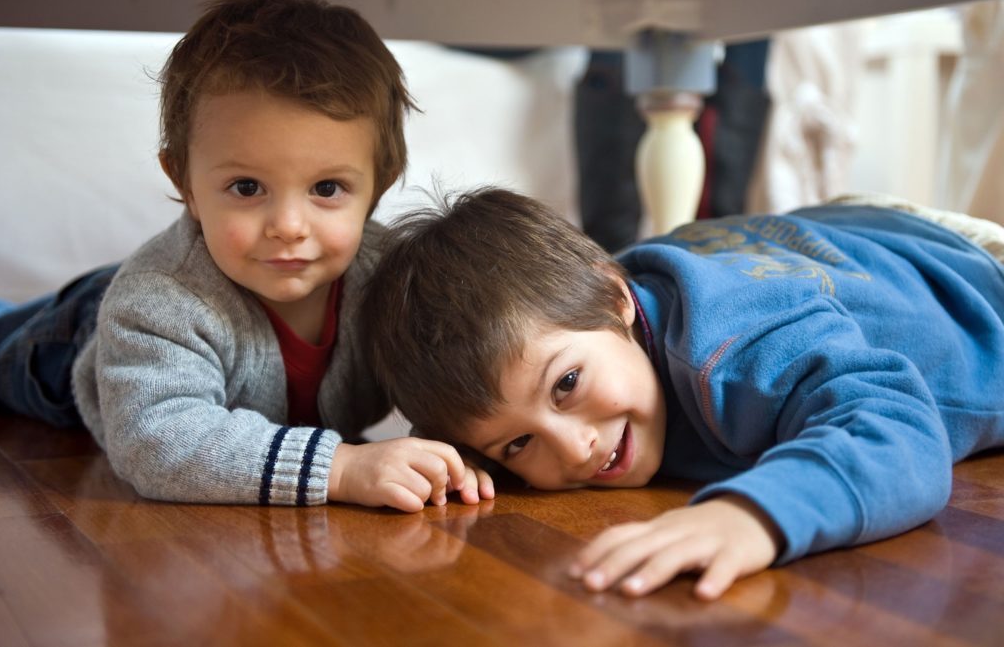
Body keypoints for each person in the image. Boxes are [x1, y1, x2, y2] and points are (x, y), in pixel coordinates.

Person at [0, 0, 493, 512]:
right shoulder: (155, 304)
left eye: (327, 189)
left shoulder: (392, 279)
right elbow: (156, 443)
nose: (290, 227)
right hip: (76, 338)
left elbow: (459, 368)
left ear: (378, 186)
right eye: (247, 188)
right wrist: (340, 467)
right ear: (185, 182)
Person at [361, 187, 1004, 599]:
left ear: (615, 299)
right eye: (519, 443)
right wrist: (451, 455)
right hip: (832, 227)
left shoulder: (739, 355)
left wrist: (751, 517)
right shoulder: (578, 313)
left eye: (566, 385)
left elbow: (898, 431)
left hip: (971, 273)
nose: (576, 447)